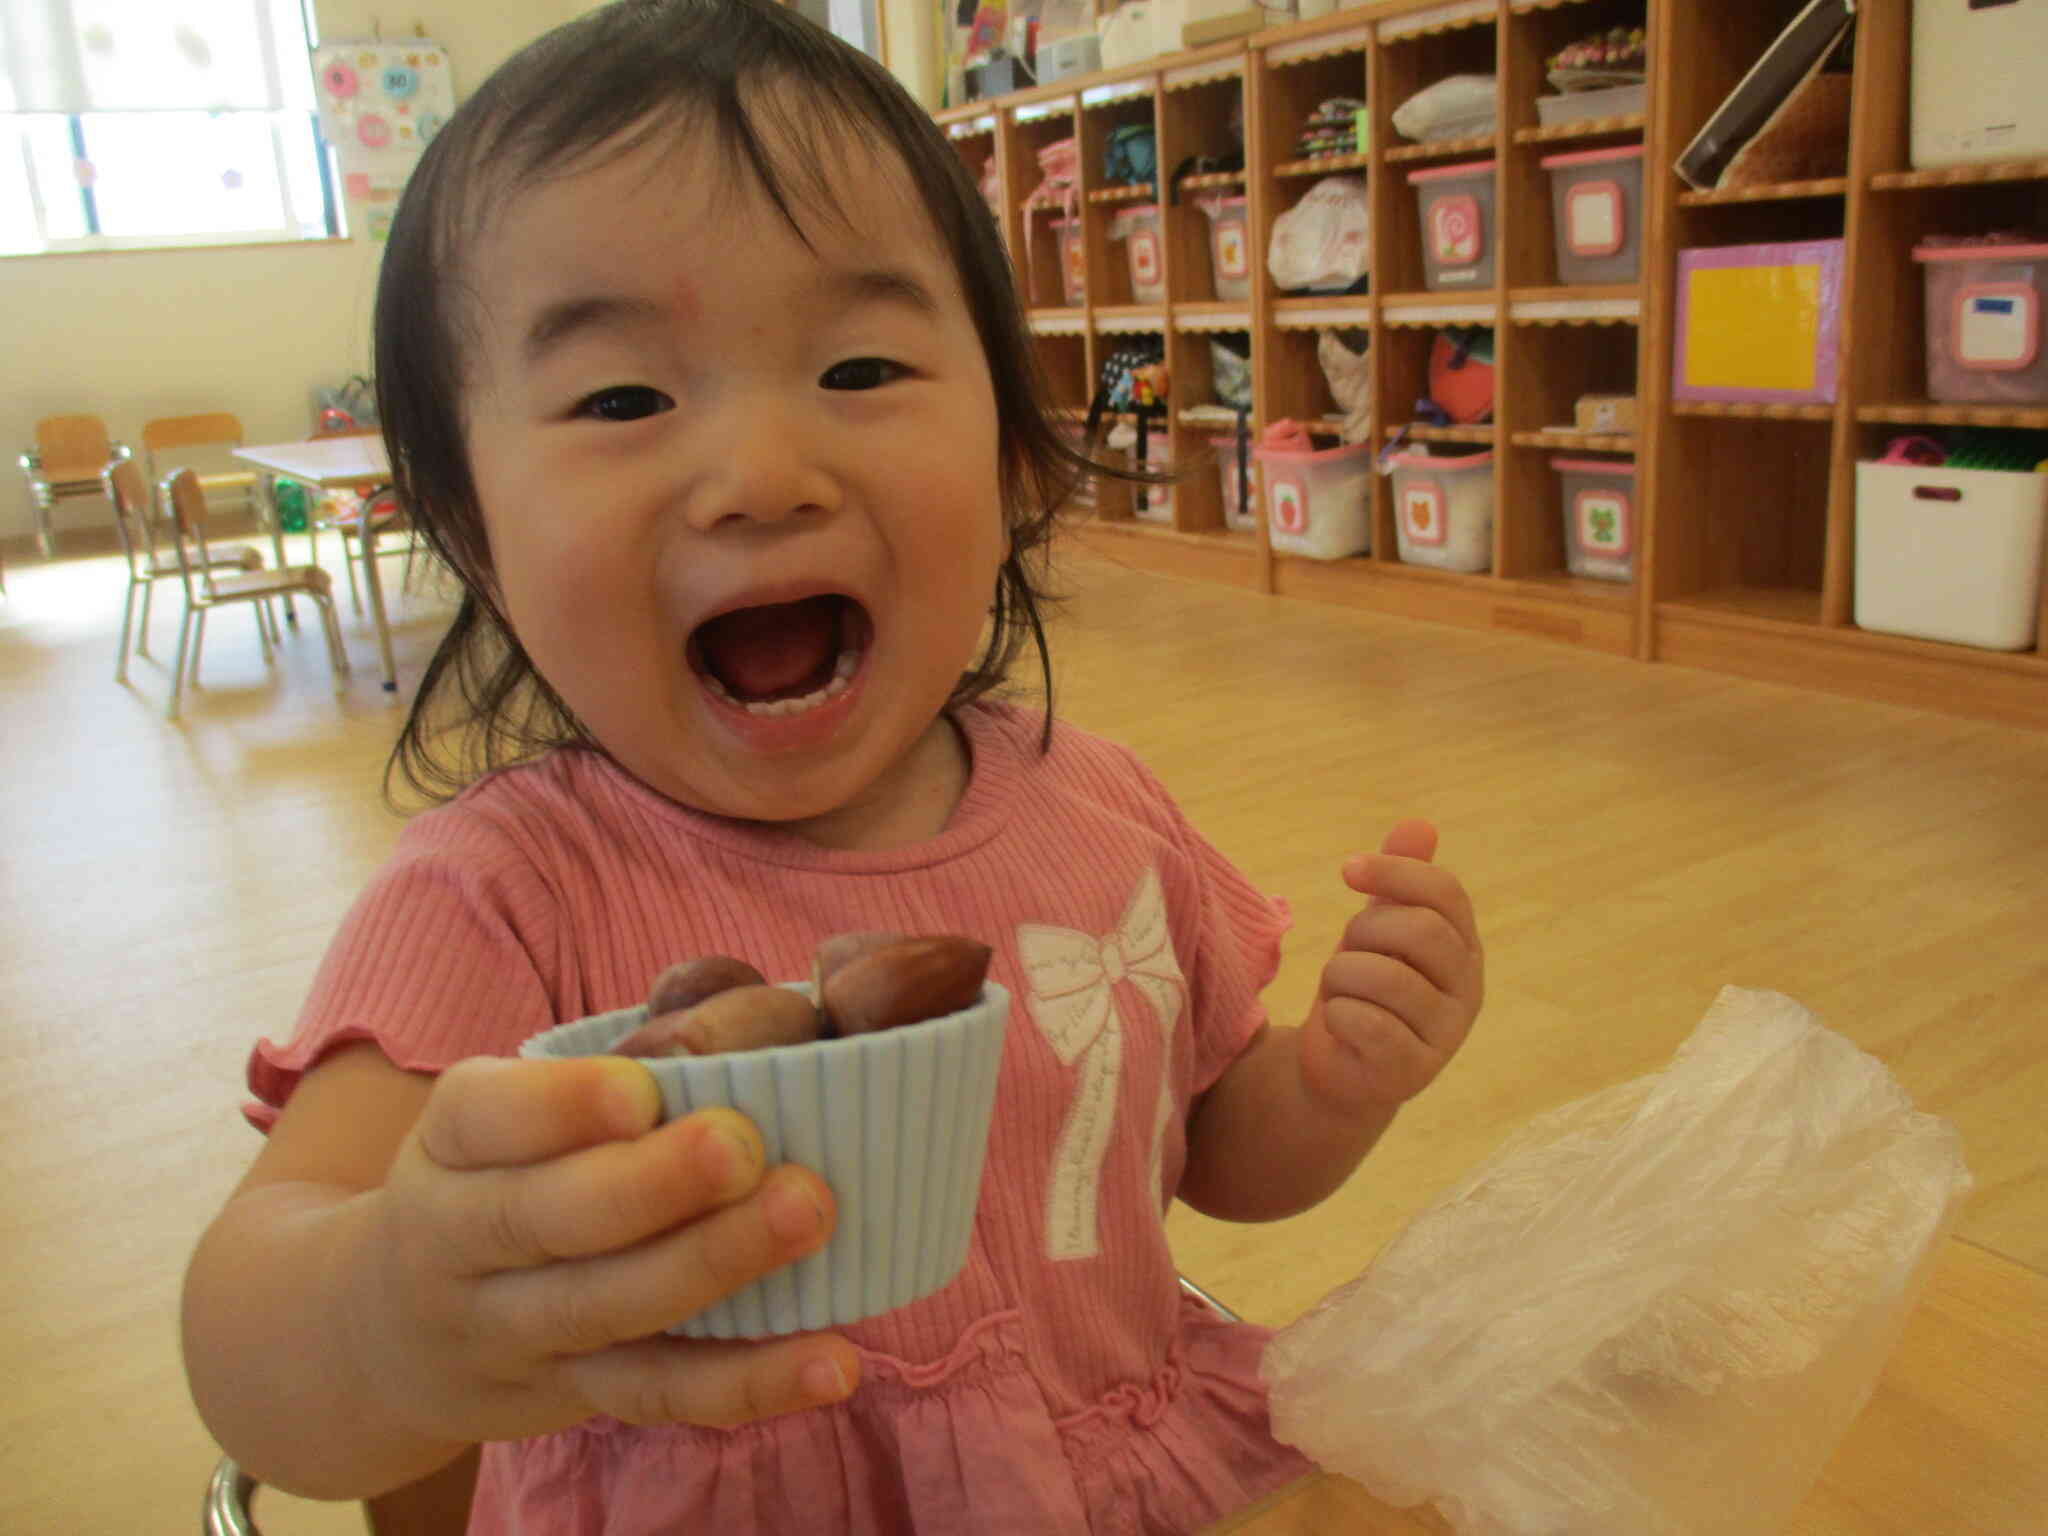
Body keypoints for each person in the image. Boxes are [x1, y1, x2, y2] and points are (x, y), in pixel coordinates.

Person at [180, 2, 1486, 1531]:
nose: (761, 479)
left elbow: (1213, 1155)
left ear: (1010, 463)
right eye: (622, 400)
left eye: (860, 367)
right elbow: (247, 1343)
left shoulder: (1102, 810)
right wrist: (395, 1310)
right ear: (472, 531)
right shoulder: (502, 897)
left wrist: (1336, 1084)